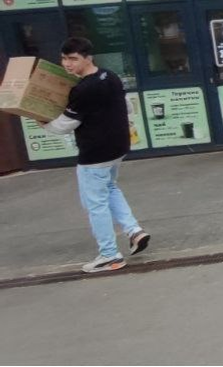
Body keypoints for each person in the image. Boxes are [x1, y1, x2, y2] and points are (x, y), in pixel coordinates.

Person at [41, 37, 151, 273]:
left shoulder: (83, 89)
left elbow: (65, 125)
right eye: (64, 59)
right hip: (118, 147)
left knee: (95, 204)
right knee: (109, 188)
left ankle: (110, 255)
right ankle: (134, 231)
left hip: (95, 154)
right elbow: (127, 107)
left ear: (88, 57)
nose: (67, 64)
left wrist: (42, 122)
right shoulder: (110, 76)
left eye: (73, 59)